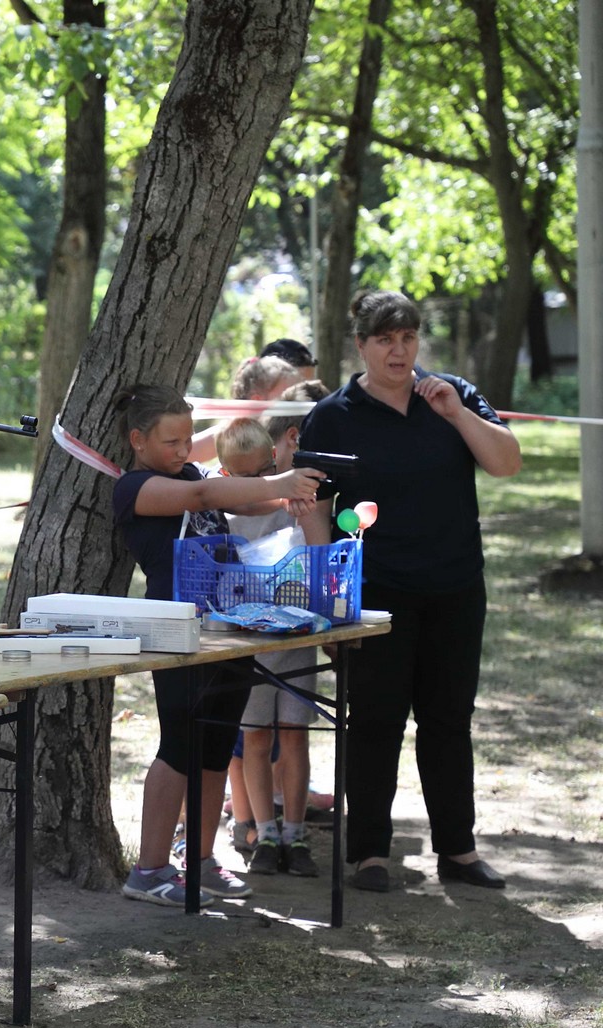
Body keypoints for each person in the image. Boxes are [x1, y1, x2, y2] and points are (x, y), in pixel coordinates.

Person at [298, 290, 521, 894]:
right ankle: (369, 853)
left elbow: (506, 463)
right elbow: (313, 507)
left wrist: (457, 413)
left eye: (409, 337)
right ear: (362, 345)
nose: (400, 350)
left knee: (450, 721)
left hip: (454, 585)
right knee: (375, 722)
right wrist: (328, 596)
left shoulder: (452, 395)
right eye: (385, 339)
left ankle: (459, 851)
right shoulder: (335, 415)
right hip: (376, 595)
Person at [110, 383, 322, 907]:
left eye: (188, 440)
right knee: (179, 746)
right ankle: (149, 869)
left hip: (229, 625)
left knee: (213, 745)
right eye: (171, 442)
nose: (184, 451)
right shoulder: (136, 487)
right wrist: (281, 482)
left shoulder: (187, 473)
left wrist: (289, 494)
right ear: (137, 441)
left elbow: (233, 495)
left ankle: (200, 862)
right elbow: (206, 496)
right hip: (176, 630)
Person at [215, 413, 321, 879]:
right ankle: (264, 831)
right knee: (255, 738)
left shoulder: (289, 500)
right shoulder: (220, 510)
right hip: (249, 644)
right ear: (225, 477)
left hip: (294, 634)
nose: (258, 484)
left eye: (264, 472)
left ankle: (295, 832)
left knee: (294, 735)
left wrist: (304, 510)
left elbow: (317, 557)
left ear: (276, 459)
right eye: (245, 477)